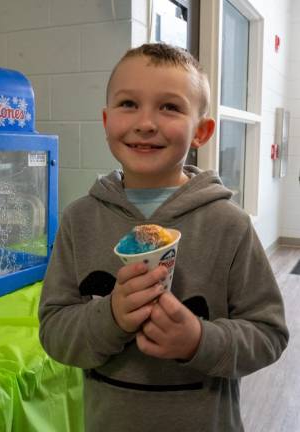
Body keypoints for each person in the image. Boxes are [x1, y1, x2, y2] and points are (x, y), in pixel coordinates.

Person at [39, 43, 289, 432]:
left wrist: (199, 340)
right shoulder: (78, 221)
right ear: (105, 121)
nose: (145, 122)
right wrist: (111, 317)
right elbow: (54, 332)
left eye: (169, 107)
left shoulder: (230, 226)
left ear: (201, 132)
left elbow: (269, 333)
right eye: (128, 104)